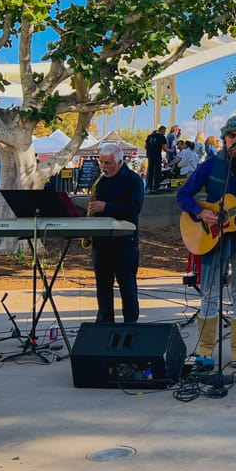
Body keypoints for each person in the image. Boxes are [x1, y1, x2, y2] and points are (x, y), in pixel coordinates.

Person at [176, 116, 236, 363]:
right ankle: (205, 349)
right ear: (224, 138)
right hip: (213, 237)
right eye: (232, 136)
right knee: (209, 293)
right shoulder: (209, 166)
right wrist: (200, 212)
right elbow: (183, 195)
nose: (235, 140)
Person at [88, 141, 146, 324]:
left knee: (127, 286)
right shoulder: (101, 181)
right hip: (102, 242)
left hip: (124, 243)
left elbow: (134, 208)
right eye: (101, 162)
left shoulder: (133, 180)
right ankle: (105, 323)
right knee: (103, 287)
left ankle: (130, 324)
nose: (104, 167)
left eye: (108, 163)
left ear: (120, 162)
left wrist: (106, 207)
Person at [144, 125, 166, 192]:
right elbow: (164, 148)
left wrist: (150, 149)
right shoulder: (162, 137)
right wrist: (169, 150)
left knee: (150, 171)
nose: (165, 132)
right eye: (164, 131)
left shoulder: (149, 136)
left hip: (150, 155)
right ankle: (156, 186)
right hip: (157, 155)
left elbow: (145, 146)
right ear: (161, 130)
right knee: (157, 171)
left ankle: (149, 186)